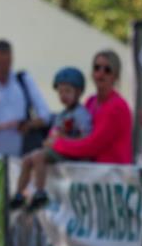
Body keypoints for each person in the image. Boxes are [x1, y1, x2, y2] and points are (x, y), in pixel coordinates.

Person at [10, 66, 92, 210]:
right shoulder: (61, 115)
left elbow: (85, 137)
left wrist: (65, 139)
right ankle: (20, 193)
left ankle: (40, 192)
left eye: (67, 91)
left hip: (70, 153)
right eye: (60, 91)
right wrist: (49, 141)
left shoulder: (81, 114)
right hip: (58, 149)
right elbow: (53, 134)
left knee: (38, 156)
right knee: (27, 159)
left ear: (78, 92)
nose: (63, 95)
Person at [49, 50, 133, 165]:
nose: (101, 73)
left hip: (112, 176)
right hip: (91, 174)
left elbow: (92, 145)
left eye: (107, 70)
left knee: (40, 157)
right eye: (96, 68)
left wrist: (57, 143)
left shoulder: (118, 107)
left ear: (115, 76)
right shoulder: (91, 101)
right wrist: (57, 135)